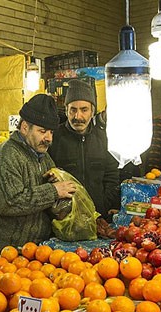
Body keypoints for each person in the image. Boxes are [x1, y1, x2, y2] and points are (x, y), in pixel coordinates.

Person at [0, 94, 77, 254]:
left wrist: (56, 189)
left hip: (35, 250)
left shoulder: (44, 157)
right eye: (43, 131)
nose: (48, 138)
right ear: (25, 127)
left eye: (51, 132)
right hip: (4, 253)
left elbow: (47, 204)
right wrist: (53, 191)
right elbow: (9, 203)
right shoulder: (6, 156)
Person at [48, 79, 120, 221]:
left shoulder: (104, 138)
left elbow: (112, 175)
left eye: (84, 110)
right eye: (73, 110)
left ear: (92, 111)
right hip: (64, 220)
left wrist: (104, 206)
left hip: (98, 217)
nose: (78, 116)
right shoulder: (53, 139)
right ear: (66, 110)